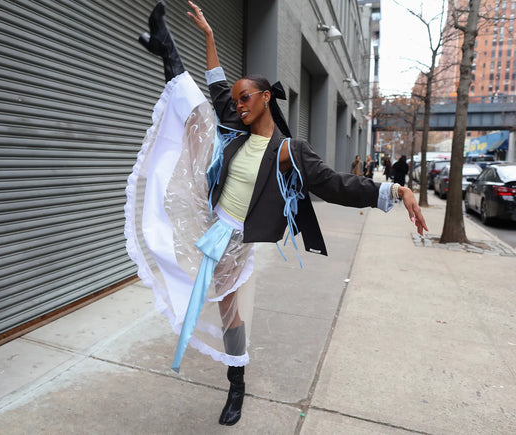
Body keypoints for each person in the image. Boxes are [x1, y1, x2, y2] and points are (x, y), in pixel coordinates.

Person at [127, 1, 428, 426]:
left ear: (267, 97)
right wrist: (211, 38)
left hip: (234, 242)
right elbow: (215, 91)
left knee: (231, 313)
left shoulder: (288, 151)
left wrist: (394, 189)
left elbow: (336, 185)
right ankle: (167, 49)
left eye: (245, 97)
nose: (239, 105)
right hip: (208, 218)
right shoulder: (236, 130)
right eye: (237, 100)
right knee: (196, 116)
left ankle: (236, 385)